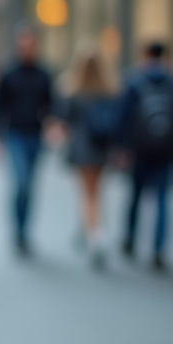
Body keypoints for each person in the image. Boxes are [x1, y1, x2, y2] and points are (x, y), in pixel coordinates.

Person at [116, 40, 173, 271]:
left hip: (138, 150)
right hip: (165, 150)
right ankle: (159, 249)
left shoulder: (134, 81)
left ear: (145, 56)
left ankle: (130, 238)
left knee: (135, 196)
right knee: (162, 200)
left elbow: (123, 116)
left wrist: (123, 147)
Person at [0, 26, 54, 255]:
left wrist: (52, 126)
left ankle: (25, 231)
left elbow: (50, 105)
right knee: (21, 184)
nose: (27, 48)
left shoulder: (44, 74)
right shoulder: (9, 74)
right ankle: (18, 231)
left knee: (30, 187)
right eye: (23, 44)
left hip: (35, 136)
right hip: (14, 136)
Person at [57, 41, 119, 268]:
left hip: (81, 147)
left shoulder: (72, 89)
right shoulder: (109, 89)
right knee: (96, 193)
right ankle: (88, 229)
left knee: (86, 194)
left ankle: (95, 236)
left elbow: (64, 120)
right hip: (101, 149)